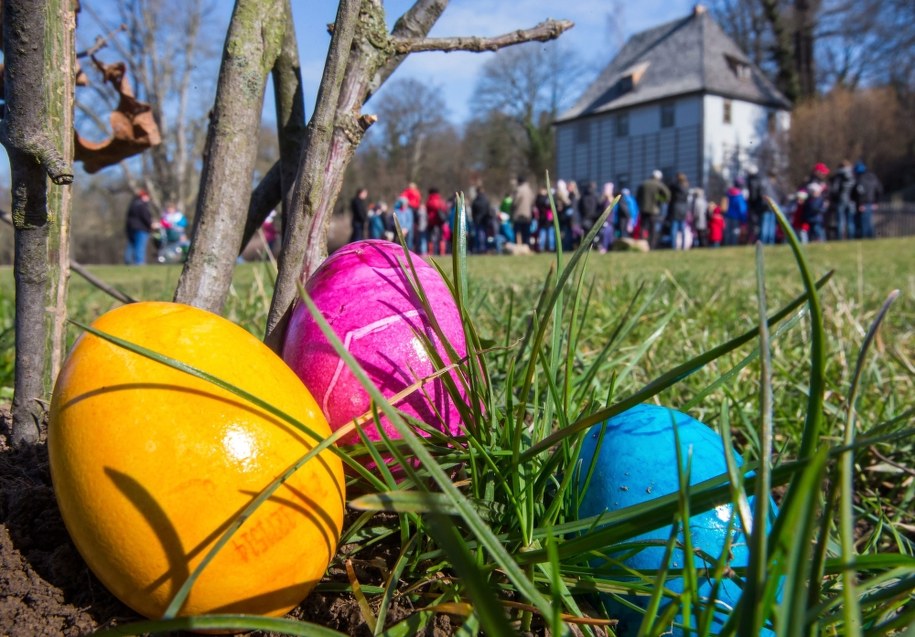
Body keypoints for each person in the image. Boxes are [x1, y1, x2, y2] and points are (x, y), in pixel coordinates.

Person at [636, 169, 670, 249]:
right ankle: (651, 245)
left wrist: (640, 204)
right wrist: (661, 199)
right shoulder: (659, 185)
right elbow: (667, 195)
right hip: (654, 210)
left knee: (643, 227)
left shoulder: (644, 184)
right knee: (653, 228)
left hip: (643, 209)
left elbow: (638, 196)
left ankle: (642, 244)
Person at [852, 161, 882, 239]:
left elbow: (860, 193)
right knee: (870, 222)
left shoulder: (860, 180)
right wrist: (876, 202)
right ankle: (871, 238)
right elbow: (879, 190)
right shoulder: (873, 177)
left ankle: (865, 238)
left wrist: (860, 204)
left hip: (863, 205)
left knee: (864, 224)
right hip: (872, 204)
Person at [125, 189, 154, 265]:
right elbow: (145, 217)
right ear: (143, 196)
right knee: (140, 246)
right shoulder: (142, 205)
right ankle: (139, 262)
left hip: (130, 228)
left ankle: (128, 261)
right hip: (141, 228)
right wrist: (151, 224)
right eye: (147, 196)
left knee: (131, 245)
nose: (148, 198)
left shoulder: (133, 204)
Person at [829, 160, 855, 240]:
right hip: (851, 199)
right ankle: (851, 237)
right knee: (850, 221)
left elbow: (834, 189)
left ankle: (840, 237)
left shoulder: (838, 176)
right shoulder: (852, 175)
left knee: (840, 220)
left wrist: (833, 198)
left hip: (841, 199)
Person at [759, 169, 782, 245]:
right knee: (767, 226)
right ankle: (766, 242)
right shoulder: (768, 184)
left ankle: (768, 242)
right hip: (769, 207)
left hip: (769, 207)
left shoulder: (766, 183)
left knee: (769, 226)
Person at [511, 175, 534, 247]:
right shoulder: (529, 190)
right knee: (526, 233)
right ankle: (527, 246)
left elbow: (515, 201)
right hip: (527, 214)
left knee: (517, 232)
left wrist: (512, 208)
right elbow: (532, 201)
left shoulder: (519, 190)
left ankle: (518, 246)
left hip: (518, 214)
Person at [668, 173, 690, 250]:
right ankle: (683, 246)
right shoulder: (686, 187)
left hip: (676, 208)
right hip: (684, 209)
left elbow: (670, 187)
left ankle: (674, 246)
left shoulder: (675, 186)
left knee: (674, 229)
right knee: (683, 228)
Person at [724, 178, 748, 246]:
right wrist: (744, 220)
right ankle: (733, 245)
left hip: (728, 215)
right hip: (736, 217)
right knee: (735, 232)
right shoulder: (739, 196)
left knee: (728, 232)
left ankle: (727, 244)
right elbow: (742, 209)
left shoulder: (728, 194)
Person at [426, 187, 447, 254]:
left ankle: (431, 252)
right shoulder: (440, 200)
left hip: (431, 222)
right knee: (441, 237)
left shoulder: (429, 201)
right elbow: (444, 208)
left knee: (431, 238)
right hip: (440, 221)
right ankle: (442, 251)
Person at [470, 187, 491, 253]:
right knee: (484, 235)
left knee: (479, 235)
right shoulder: (486, 200)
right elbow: (488, 211)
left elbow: (473, 211)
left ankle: (480, 248)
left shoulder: (475, 201)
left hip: (477, 220)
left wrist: (474, 218)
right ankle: (484, 248)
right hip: (485, 220)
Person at [534, 186, 555, 252]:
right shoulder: (541, 199)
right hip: (544, 219)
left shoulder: (541, 198)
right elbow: (546, 205)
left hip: (547, 220)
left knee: (549, 234)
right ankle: (543, 247)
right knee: (544, 234)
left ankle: (549, 247)